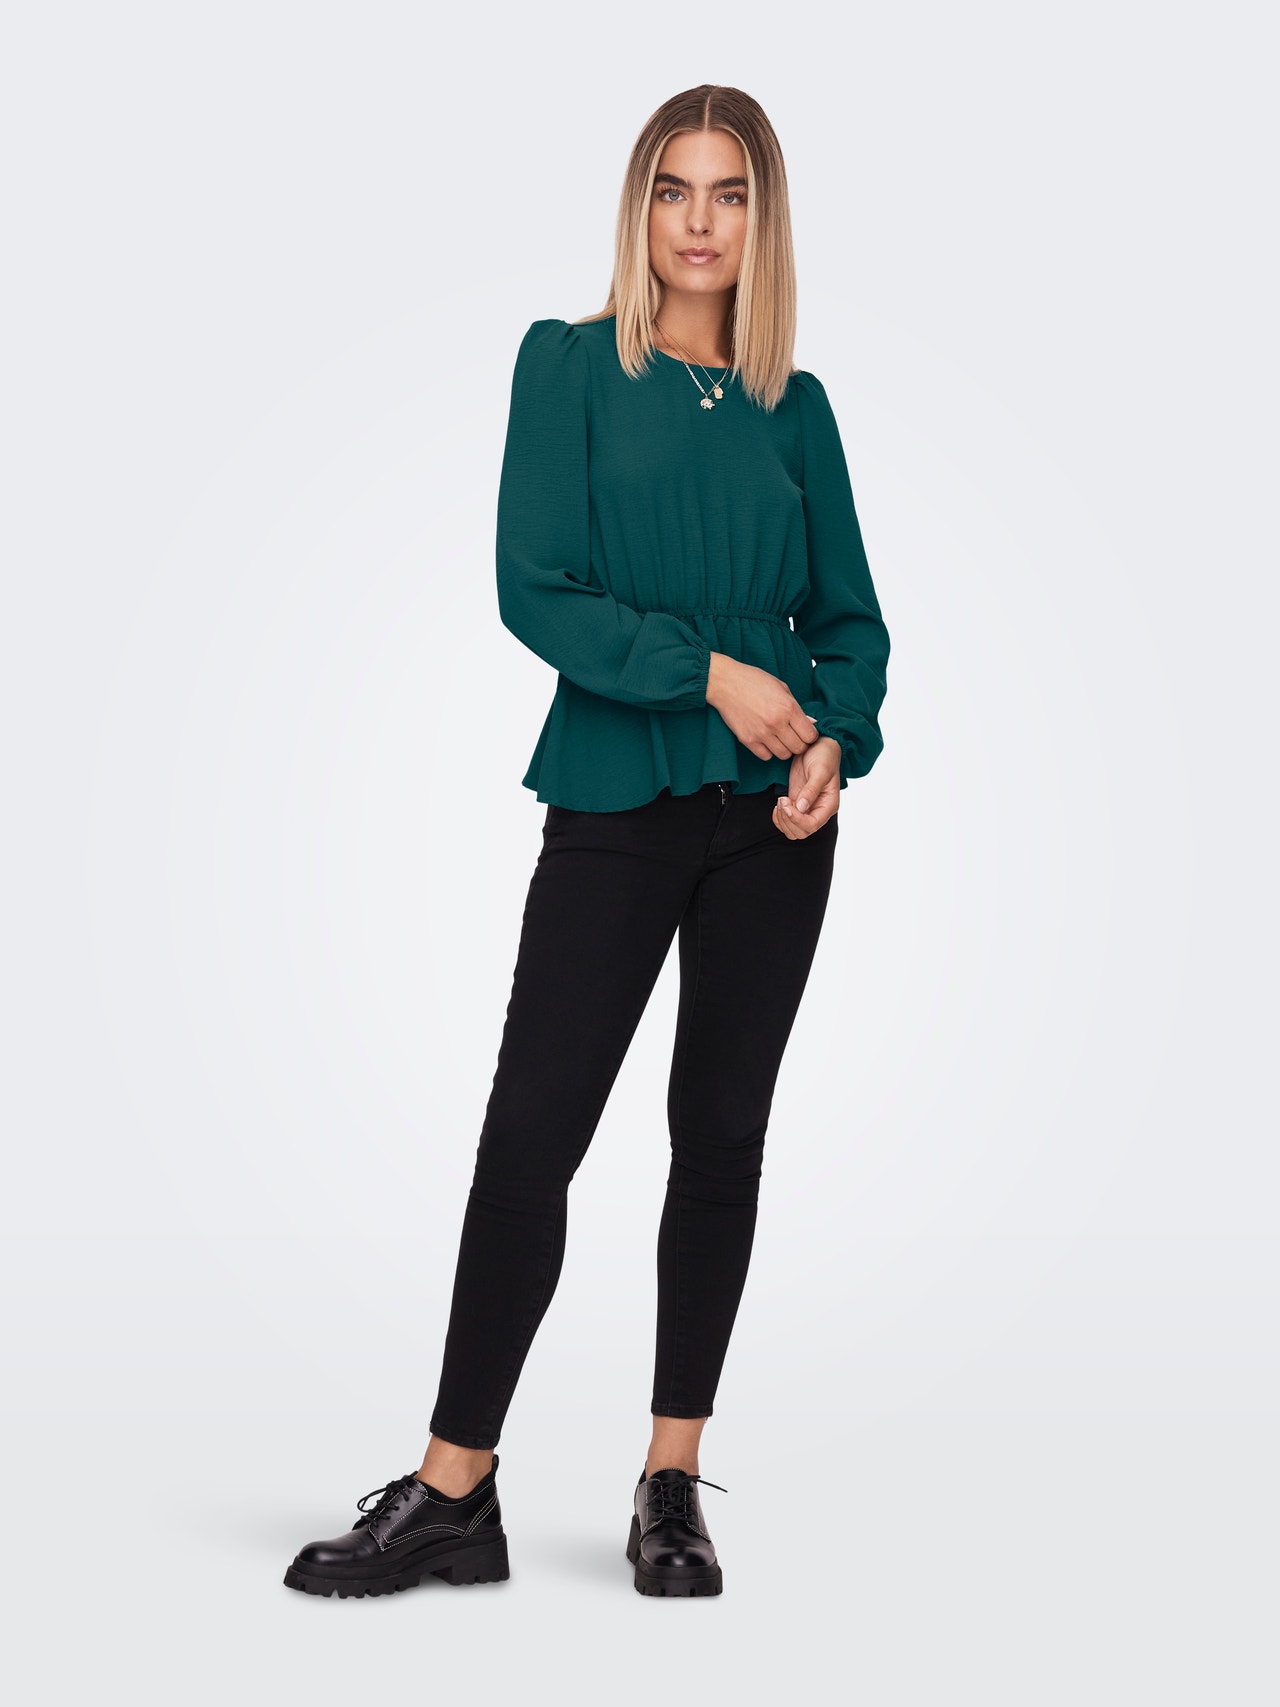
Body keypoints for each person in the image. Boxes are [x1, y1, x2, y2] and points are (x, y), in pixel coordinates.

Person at [283, 82, 890, 1603]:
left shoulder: (798, 405)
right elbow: (536, 584)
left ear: (763, 218)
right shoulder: (567, 367)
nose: (700, 222)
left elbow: (853, 625)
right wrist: (715, 675)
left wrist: (836, 740)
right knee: (534, 1132)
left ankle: (671, 1480)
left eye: (731, 193)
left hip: (775, 825)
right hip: (618, 797)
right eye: (675, 189)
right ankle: (454, 1491)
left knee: (721, 1137)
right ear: (639, 207)